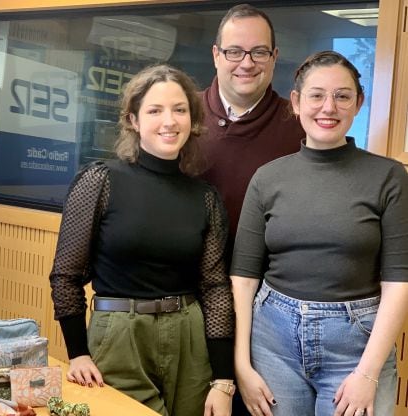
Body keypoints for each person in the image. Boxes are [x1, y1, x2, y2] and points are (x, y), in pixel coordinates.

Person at [49, 63, 235, 416]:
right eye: (154, 110)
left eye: (180, 110)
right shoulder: (99, 181)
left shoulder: (205, 197)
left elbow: (215, 288)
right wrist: (77, 352)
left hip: (190, 338)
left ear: (192, 121)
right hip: (120, 335)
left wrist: (223, 380)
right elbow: (65, 276)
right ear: (133, 119)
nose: (169, 121)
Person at [230, 50, 408, 416]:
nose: (329, 107)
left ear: (358, 103)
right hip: (272, 343)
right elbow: (244, 278)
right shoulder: (267, 178)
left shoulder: (389, 178)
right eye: (316, 95)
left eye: (342, 96)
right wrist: (242, 367)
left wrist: (368, 373)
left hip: (357, 346)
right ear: (296, 102)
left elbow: (399, 281)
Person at [200, 4, 305, 257]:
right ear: (216, 55)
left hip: (270, 287)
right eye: (234, 52)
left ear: (274, 56)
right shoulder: (180, 116)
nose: (246, 64)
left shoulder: (301, 126)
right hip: (184, 287)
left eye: (259, 52)